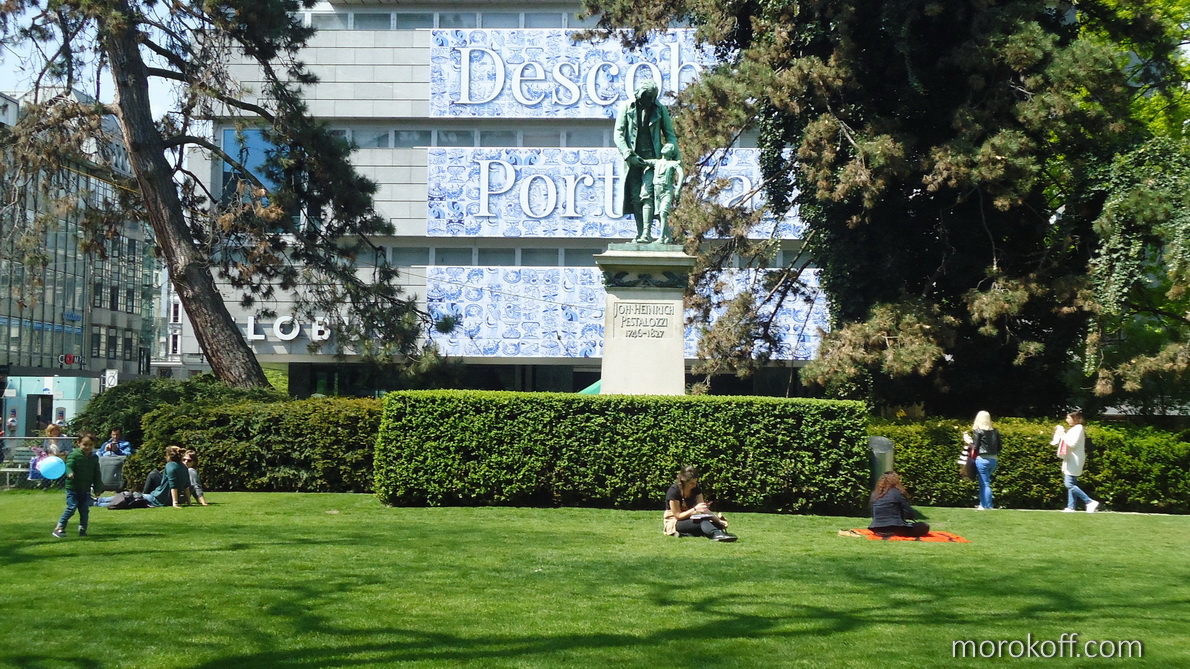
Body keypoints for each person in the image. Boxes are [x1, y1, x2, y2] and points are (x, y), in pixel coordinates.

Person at [614, 78, 679, 243]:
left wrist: (672, 151)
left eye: (650, 98)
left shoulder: (660, 109)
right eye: (645, 98)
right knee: (636, 197)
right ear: (638, 95)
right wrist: (628, 154)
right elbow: (618, 134)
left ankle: (646, 233)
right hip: (633, 160)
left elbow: (670, 135)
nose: (647, 101)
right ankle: (641, 232)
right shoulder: (626, 107)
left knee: (647, 195)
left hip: (653, 161)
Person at [662, 465, 737, 542]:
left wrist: (718, 521)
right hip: (674, 521)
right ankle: (716, 534)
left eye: (695, 482)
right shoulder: (674, 491)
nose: (694, 485)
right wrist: (695, 509)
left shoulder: (696, 488)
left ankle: (686, 534)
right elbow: (678, 516)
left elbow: (703, 509)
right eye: (691, 483)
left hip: (690, 519)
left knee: (713, 523)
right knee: (702, 521)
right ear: (683, 482)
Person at [52, 435, 101, 538]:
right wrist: (69, 472)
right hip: (73, 488)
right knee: (72, 507)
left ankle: (83, 530)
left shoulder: (94, 458)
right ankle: (59, 528)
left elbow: (97, 474)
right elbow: (68, 466)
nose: (88, 447)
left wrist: (98, 488)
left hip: (85, 489)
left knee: (84, 510)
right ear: (78, 443)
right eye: (85, 444)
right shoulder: (74, 455)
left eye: (91, 445)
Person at [1052, 410, 1100, 513]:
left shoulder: (1079, 428)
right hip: (1071, 458)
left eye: (1069, 418)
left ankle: (1089, 501)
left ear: (1075, 419)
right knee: (1072, 483)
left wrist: (1062, 434)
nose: (1067, 420)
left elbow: (1072, 443)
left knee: (1069, 484)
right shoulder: (1074, 429)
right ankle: (1071, 507)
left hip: (1075, 459)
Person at [869, 471, 930, 537]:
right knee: (924, 526)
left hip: (877, 530)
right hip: (896, 529)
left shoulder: (875, 494)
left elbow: (873, 513)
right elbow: (909, 513)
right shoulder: (897, 493)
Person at [962, 410, 1002, 510]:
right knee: (984, 483)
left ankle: (987, 506)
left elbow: (975, 447)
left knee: (985, 483)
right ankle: (982, 504)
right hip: (993, 460)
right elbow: (999, 447)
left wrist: (968, 441)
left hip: (982, 459)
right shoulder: (995, 431)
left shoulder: (978, 431)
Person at [647, 143, 684, 245]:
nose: (665, 148)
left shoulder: (673, 163)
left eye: (668, 148)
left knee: (663, 213)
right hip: (656, 190)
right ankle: (668, 237)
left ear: (671, 153)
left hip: (666, 190)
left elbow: (681, 174)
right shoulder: (657, 162)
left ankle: (661, 238)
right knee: (659, 215)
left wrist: (678, 188)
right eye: (665, 146)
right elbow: (643, 161)